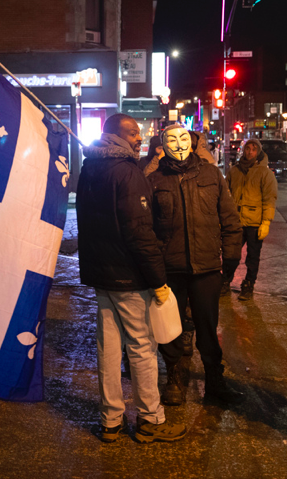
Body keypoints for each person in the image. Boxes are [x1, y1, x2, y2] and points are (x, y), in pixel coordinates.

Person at [77, 113, 186, 444]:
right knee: (141, 346)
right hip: (129, 277)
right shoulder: (128, 173)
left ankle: (111, 421)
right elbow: (139, 233)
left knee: (108, 348)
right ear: (118, 136)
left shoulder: (89, 169)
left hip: (101, 275)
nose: (142, 138)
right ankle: (150, 418)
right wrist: (158, 280)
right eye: (135, 133)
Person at [147, 124, 243, 407]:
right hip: (170, 270)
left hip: (207, 269)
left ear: (192, 142)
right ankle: (174, 377)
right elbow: (147, 229)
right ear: (162, 145)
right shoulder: (154, 180)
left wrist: (231, 262)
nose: (178, 144)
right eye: (171, 140)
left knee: (207, 326)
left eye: (183, 139)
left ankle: (215, 380)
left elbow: (230, 221)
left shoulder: (212, 174)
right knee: (171, 329)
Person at [223, 138, 278, 301]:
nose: (250, 152)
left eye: (254, 149)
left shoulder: (265, 173)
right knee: (230, 255)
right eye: (248, 148)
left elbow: (270, 198)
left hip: (254, 223)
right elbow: (225, 195)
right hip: (235, 222)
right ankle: (225, 281)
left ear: (258, 152)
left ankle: (248, 285)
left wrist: (266, 222)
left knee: (252, 258)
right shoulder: (234, 171)